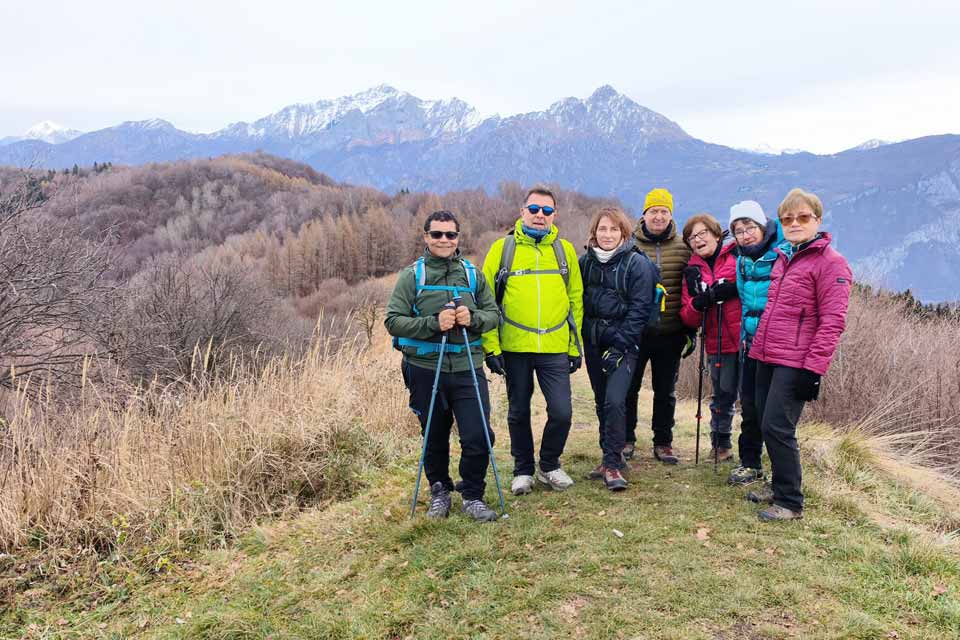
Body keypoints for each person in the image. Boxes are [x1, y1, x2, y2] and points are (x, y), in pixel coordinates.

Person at [385, 210, 501, 522]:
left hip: (466, 366)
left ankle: (473, 495)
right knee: (433, 434)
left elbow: (493, 314)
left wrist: (472, 318)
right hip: (424, 367)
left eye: (450, 235)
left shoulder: (472, 275)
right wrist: (433, 324)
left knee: (479, 435)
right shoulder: (412, 276)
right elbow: (393, 321)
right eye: (437, 234)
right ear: (426, 238)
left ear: (458, 238)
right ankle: (440, 492)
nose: (444, 240)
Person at [747, 188, 852, 521]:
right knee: (764, 422)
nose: (794, 223)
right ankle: (778, 486)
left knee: (779, 426)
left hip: (797, 361)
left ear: (817, 220)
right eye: (787, 218)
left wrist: (814, 370)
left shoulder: (831, 264)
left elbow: (833, 322)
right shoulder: (784, 256)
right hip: (767, 354)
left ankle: (790, 502)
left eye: (803, 217)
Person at [481, 185, 584, 495]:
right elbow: (486, 298)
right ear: (522, 212)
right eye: (535, 209)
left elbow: (575, 299)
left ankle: (549, 464)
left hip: (554, 347)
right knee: (518, 412)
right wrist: (490, 345)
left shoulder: (564, 250)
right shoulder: (503, 249)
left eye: (548, 211)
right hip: (514, 347)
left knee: (562, 411)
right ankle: (522, 469)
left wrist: (573, 345)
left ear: (555, 215)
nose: (541, 216)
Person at [580, 207, 657, 491]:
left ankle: (613, 464)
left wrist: (620, 346)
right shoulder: (584, 263)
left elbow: (640, 311)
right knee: (601, 401)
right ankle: (607, 455)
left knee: (615, 400)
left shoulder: (636, 264)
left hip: (625, 344)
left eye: (614, 229)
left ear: (623, 232)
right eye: (602, 229)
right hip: (593, 342)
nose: (608, 234)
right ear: (594, 233)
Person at [624, 188, 694, 464]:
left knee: (665, 391)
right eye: (654, 211)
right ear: (644, 214)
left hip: (671, 332)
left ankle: (663, 442)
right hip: (636, 332)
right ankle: (626, 439)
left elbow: (690, 288)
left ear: (670, 215)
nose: (659, 216)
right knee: (629, 388)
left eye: (664, 211)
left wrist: (690, 330)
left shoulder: (683, 246)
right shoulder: (629, 244)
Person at [727, 200, 785, 486]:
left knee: (771, 411)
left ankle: (779, 471)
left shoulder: (782, 255)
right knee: (749, 406)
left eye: (750, 227)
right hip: (750, 344)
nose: (745, 234)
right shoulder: (742, 260)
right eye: (738, 230)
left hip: (776, 347)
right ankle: (750, 463)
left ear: (762, 226)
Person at [680, 214, 742, 462]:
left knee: (752, 397)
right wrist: (699, 302)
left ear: (717, 234)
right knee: (722, 394)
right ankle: (721, 445)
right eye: (692, 237)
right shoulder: (692, 271)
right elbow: (687, 315)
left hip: (748, 337)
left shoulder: (738, 255)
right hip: (717, 342)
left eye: (703, 233)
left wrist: (734, 287)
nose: (698, 239)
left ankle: (752, 451)